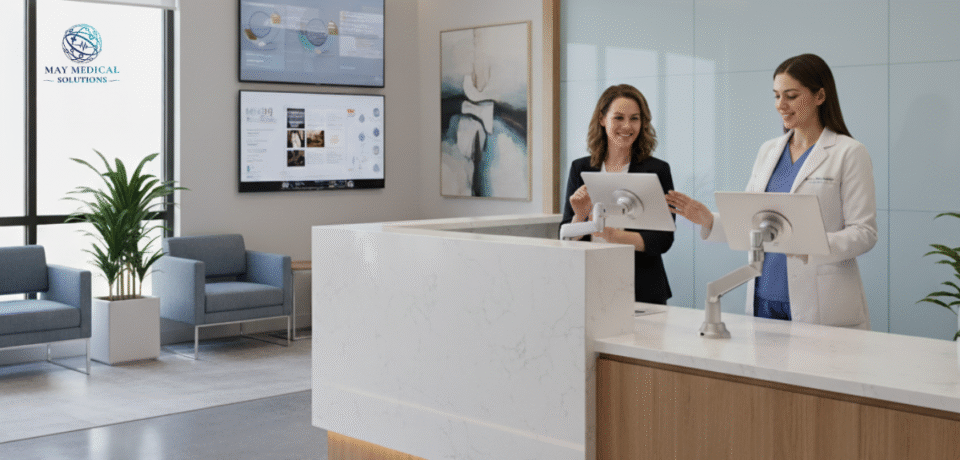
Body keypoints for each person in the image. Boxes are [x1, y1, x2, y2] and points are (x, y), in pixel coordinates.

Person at [665, 53, 877, 329]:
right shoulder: (768, 151)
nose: (781, 105)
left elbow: (864, 233)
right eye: (776, 96)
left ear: (820, 96)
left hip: (820, 300)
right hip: (763, 294)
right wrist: (708, 220)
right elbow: (753, 224)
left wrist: (809, 244)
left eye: (791, 96)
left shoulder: (849, 152)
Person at [561, 84, 675, 304]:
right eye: (619, 118)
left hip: (642, 288)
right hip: (590, 283)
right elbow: (566, 236)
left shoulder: (657, 170)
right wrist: (579, 217)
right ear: (602, 119)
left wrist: (612, 235)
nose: (627, 126)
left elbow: (663, 239)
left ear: (643, 123)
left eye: (634, 118)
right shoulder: (580, 168)